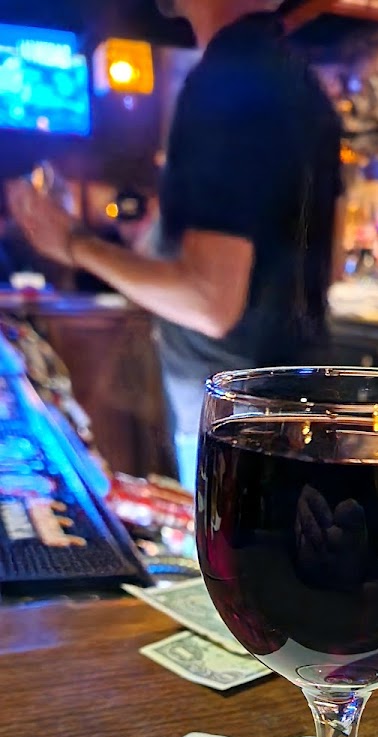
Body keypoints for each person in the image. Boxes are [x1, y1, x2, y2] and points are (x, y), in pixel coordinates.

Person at [7, 0, 344, 487]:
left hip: (236, 421)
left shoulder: (223, 80)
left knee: (227, 540)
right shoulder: (303, 86)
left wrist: (75, 243)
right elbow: (323, 267)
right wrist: (152, 245)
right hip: (298, 409)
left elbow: (210, 303)